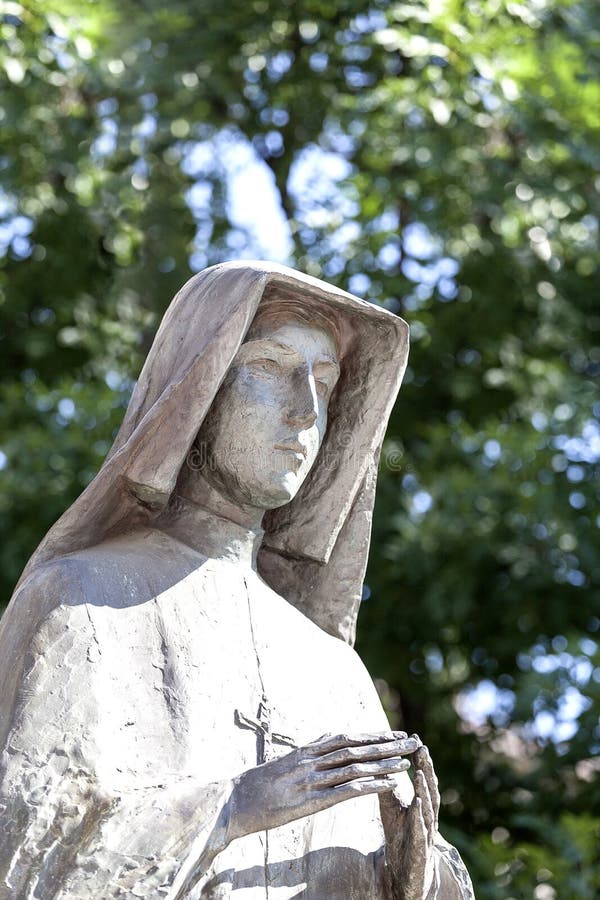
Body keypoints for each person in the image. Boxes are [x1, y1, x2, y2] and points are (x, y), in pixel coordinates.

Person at [0, 261, 474, 898]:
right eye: (270, 368)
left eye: (326, 385)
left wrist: (412, 856)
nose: (305, 411)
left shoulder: (338, 673)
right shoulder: (83, 598)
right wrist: (236, 806)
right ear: (199, 386)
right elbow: (28, 849)